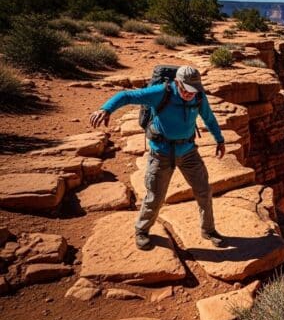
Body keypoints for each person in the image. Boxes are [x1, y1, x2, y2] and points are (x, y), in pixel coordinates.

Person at [89, 66, 226, 250]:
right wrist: (106, 109)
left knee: (204, 191)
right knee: (155, 197)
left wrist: (220, 140)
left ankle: (208, 230)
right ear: (177, 83)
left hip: (188, 151)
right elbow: (126, 96)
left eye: (193, 90)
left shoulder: (199, 95)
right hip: (161, 153)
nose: (189, 94)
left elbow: (209, 118)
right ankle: (142, 231)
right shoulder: (161, 92)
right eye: (186, 89)